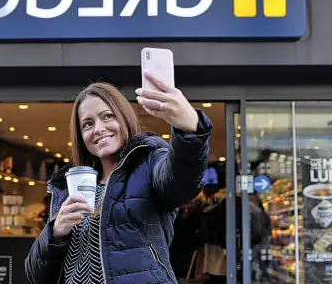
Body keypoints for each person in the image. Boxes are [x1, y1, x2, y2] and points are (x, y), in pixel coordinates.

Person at [25, 72, 213, 284]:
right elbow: (35, 275)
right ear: (80, 135)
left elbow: (182, 184)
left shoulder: (149, 161)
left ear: (123, 117)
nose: (99, 129)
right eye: (87, 124)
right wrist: (56, 231)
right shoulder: (67, 186)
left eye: (107, 116)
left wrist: (190, 131)